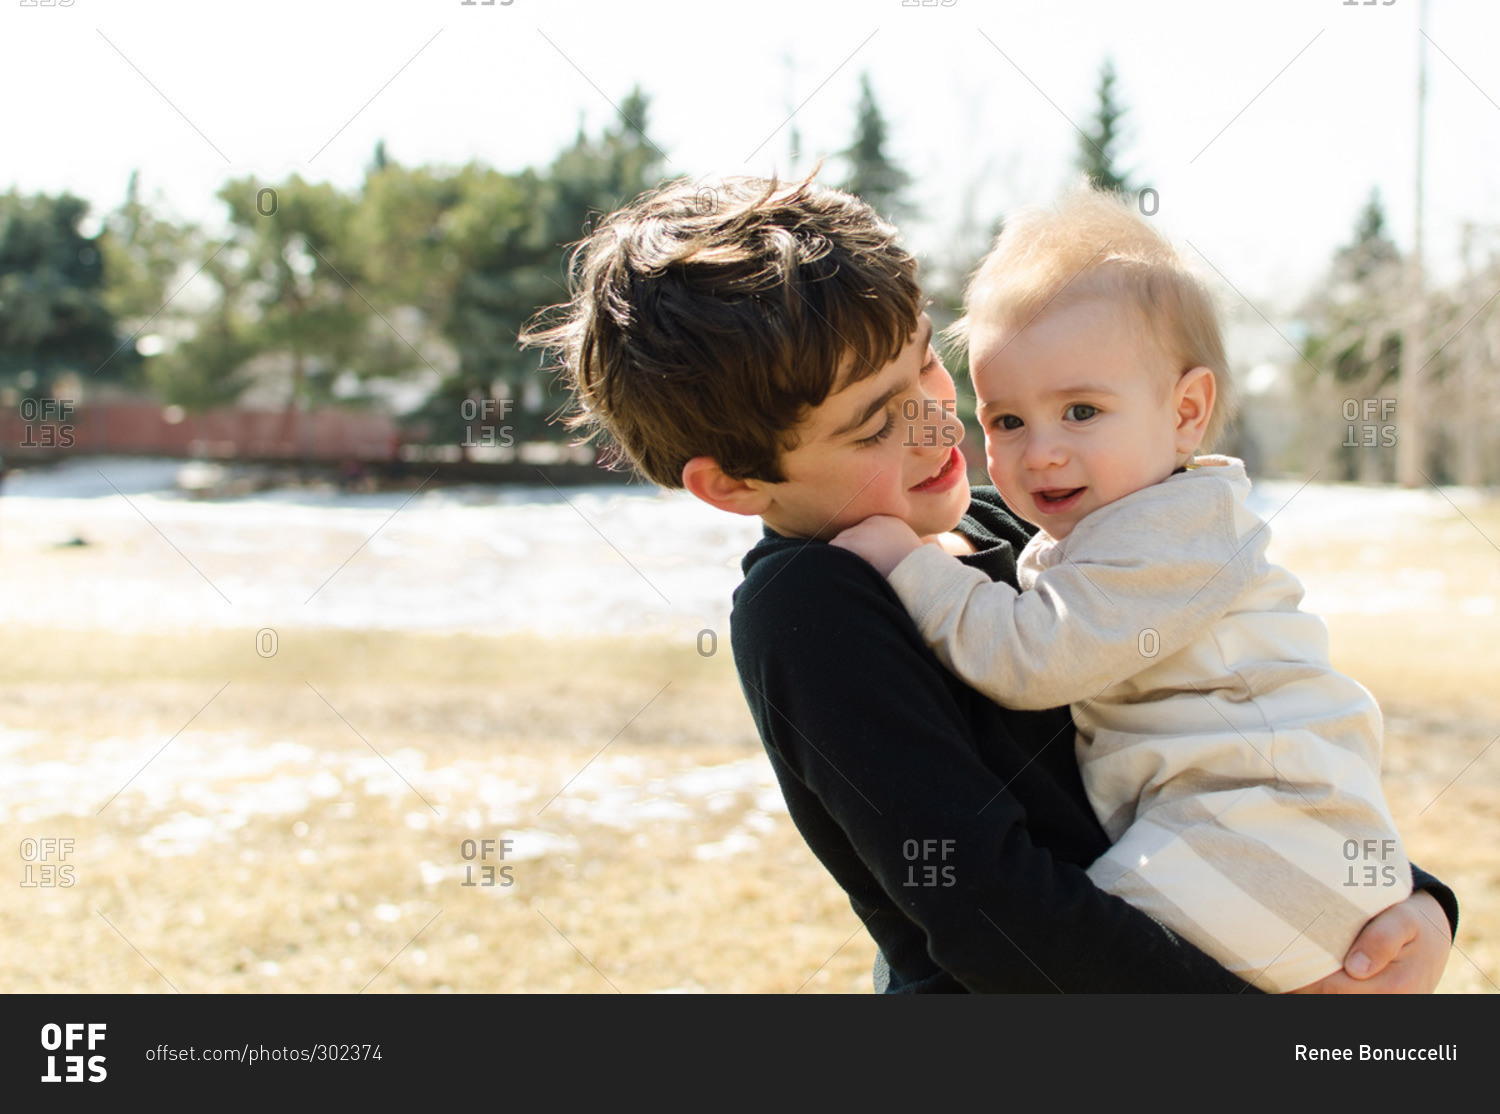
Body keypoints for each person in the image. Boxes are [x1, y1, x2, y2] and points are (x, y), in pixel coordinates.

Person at [522, 172, 1457, 993]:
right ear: (734, 482)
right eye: (870, 424)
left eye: (926, 361)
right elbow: (992, 910)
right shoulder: (812, 605)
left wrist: (1411, 903)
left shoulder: (1014, 525)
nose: (937, 423)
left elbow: (1222, 732)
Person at [830, 185, 1416, 992]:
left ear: (1185, 412)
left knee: (1065, 965)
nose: (1040, 455)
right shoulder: (1126, 520)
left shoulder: (1172, 533)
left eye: (1080, 410)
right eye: (1006, 422)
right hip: (1256, 836)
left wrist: (907, 562)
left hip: (1268, 834)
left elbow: (1033, 657)